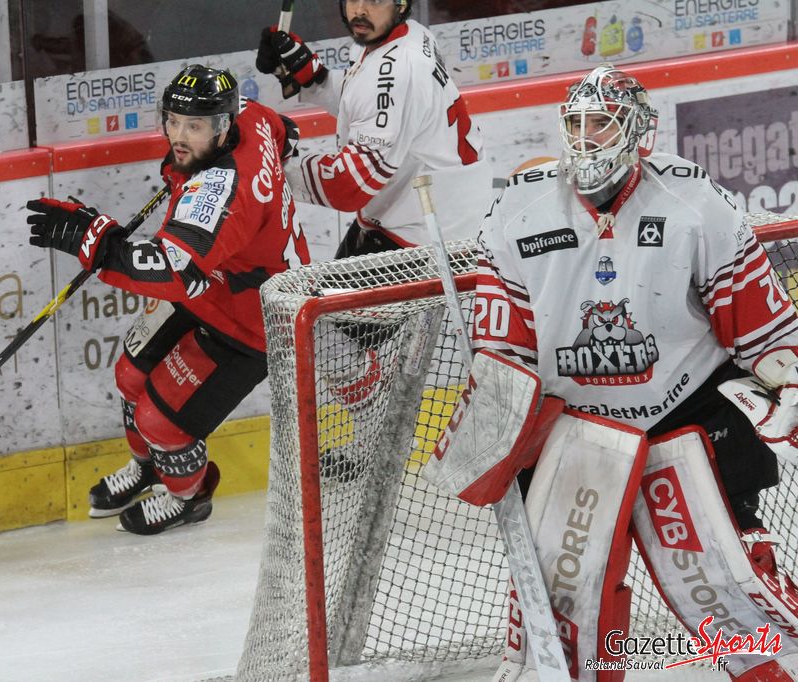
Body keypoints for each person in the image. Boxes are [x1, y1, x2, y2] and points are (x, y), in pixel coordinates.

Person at [471, 62, 798, 679]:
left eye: (602, 123)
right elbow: (503, 347)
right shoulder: (518, 210)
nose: (586, 137)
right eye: (577, 123)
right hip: (575, 433)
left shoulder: (696, 202)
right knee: (567, 608)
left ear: (638, 130)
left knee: (731, 587)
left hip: (686, 414)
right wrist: (498, 423)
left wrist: (789, 382)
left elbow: (760, 324)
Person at [26, 65, 309, 535]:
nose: (178, 136)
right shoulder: (250, 115)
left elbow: (171, 270)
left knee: (161, 422)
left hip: (254, 322)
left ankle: (188, 498)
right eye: (173, 121)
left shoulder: (226, 192)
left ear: (222, 127)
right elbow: (282, 130)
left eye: (193, 127)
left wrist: (95, 242)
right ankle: (148, 468)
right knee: (130, 374)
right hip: (214, 284)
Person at [255, 0, 494, 256]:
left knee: (321, 285)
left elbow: (348, 186)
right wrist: (309, 75)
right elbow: (362, 98)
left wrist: (265, 171)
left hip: (434, 240)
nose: (359, 10)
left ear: (401, 5)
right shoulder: (407, 35)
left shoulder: (400, 70)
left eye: (375, 0)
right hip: (421, 211)